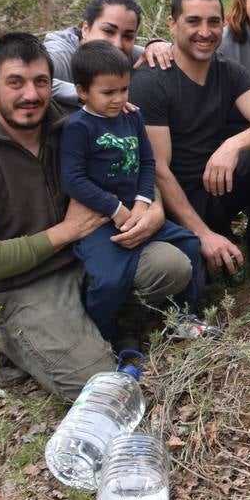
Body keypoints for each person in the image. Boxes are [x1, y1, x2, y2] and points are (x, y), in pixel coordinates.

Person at [0, 33, 193, 400]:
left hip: (91, 252)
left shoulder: (72, 119)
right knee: (101, 384)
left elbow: (135, 164)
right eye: (15, 83)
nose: (31, 95)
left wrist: (151, 206)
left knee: (173, 266)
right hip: (25, 283)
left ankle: (93, 321)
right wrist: (66, 231)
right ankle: (11, 339)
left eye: (40, 82)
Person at [129, 0, 250, 282]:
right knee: (197, 280)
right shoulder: (151, 82)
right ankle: (206, 241)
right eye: (194, 21)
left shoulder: (226, 70)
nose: (205, 32)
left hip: (215, 187)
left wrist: (233, 145)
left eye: (213, 22)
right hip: (173, 206)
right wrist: (202, 234)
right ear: (172, 24)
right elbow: (159, 172)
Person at [59, 41, 209, 342]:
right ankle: (105, 338)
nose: (118, 99)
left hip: (137, 211)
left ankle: (182, 316)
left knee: (191, 244)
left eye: (124, 90)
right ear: (82, 91)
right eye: (108, 92)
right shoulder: (78, 127)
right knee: (109, 280)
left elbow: (147, 161)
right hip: (99, 222)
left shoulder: (132, 117)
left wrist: (142, 203)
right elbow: (73, 179)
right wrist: (115, 210)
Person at [45, 0, 146, 111]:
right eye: (108, 31)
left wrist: (156, 45)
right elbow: (30, 81)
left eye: (127, 36)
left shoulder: (128, 54)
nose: (117, 44)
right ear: (86, 29)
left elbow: (163, 54)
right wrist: (92, 96)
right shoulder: (60, 55)